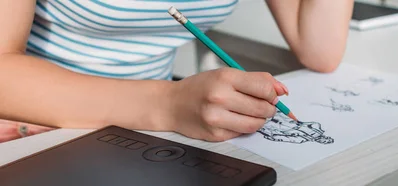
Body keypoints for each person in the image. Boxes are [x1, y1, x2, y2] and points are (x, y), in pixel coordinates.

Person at [0, 1, 353, 143]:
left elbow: (320, 48)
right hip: (38, 131)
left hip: (154, 137)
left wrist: (171, 108)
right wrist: (169, 104)